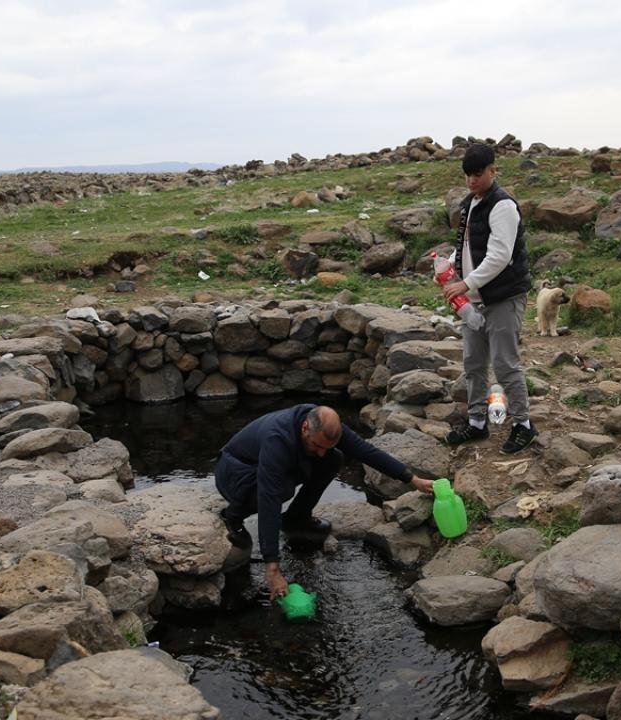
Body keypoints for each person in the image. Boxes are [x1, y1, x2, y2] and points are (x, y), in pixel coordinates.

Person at [215, 404, 435, 599]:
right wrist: (272, 566)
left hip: (263, 467)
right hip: (234, 471)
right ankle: (233, 516)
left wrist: (412, 478)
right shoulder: (277, 440)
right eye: (316, 445)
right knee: (280, 489)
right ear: (304, 429)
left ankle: (296, 519)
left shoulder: (325, 427)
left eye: (325, 446)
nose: (320, 452)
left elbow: (367, 452)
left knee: (333, 459)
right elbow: (269, 500)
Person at [442, 143, 538, 455]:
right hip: (474, 298)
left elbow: (499, 255)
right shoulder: (470, 202)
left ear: (493, 170)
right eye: (467, 174)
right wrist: (448, 266)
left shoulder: (503, 205)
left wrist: (465, 283)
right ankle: (477, 422)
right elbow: (467, 245)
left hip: (503, 296)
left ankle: (523, 425)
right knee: (473, 362)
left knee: (504, 363)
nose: (472, 180)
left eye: (478, 173)